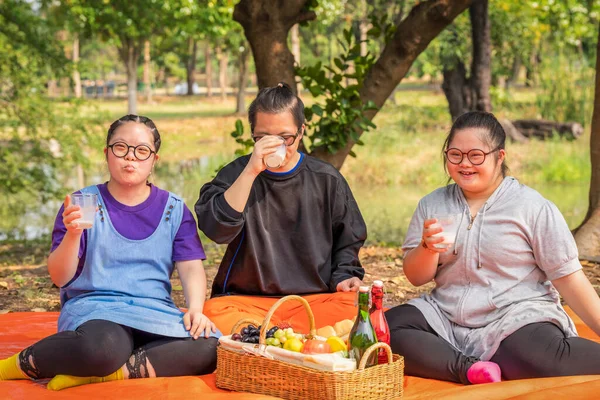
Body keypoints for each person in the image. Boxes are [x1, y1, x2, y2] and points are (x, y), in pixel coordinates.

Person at [0, 115, 220, 390]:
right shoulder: (81, 203)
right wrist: (73, 234)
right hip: (96, 310)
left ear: (154, 160)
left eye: (141, 151)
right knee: (103, 349)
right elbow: (59, 277)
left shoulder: (174, 209)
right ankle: (19, 364)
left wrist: (196, 310)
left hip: (153, 311)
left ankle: (107, 373)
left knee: (212, 346)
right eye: (120, 148)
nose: (130, 158)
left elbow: (190, 267)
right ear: (107, 153)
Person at [385, 111, 600, 385]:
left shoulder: (532, 208)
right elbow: (416, 277)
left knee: (537, 355)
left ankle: (469, 361)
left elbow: (569, 279)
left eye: (476, 155)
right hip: (445, 316)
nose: (464, 164)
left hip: (514, 320)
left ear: (500, 156)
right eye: (455, 155)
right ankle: (470, 369)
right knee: (385, 330)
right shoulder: (433, 204)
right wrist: (427, 248)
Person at [195, 82, 367, 334]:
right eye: (263, 138)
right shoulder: (237, 174)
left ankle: (271, 338)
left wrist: (344, 277)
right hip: (247, 302)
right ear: (253, 134)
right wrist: (251, 171)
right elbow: (217, 231)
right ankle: (291, 339)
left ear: (301, 131)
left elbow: (348, 240)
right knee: (212, 312)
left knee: (359, 309)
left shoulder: (326, 179)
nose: (277, 147)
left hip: (312, 301)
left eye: (286, 138)